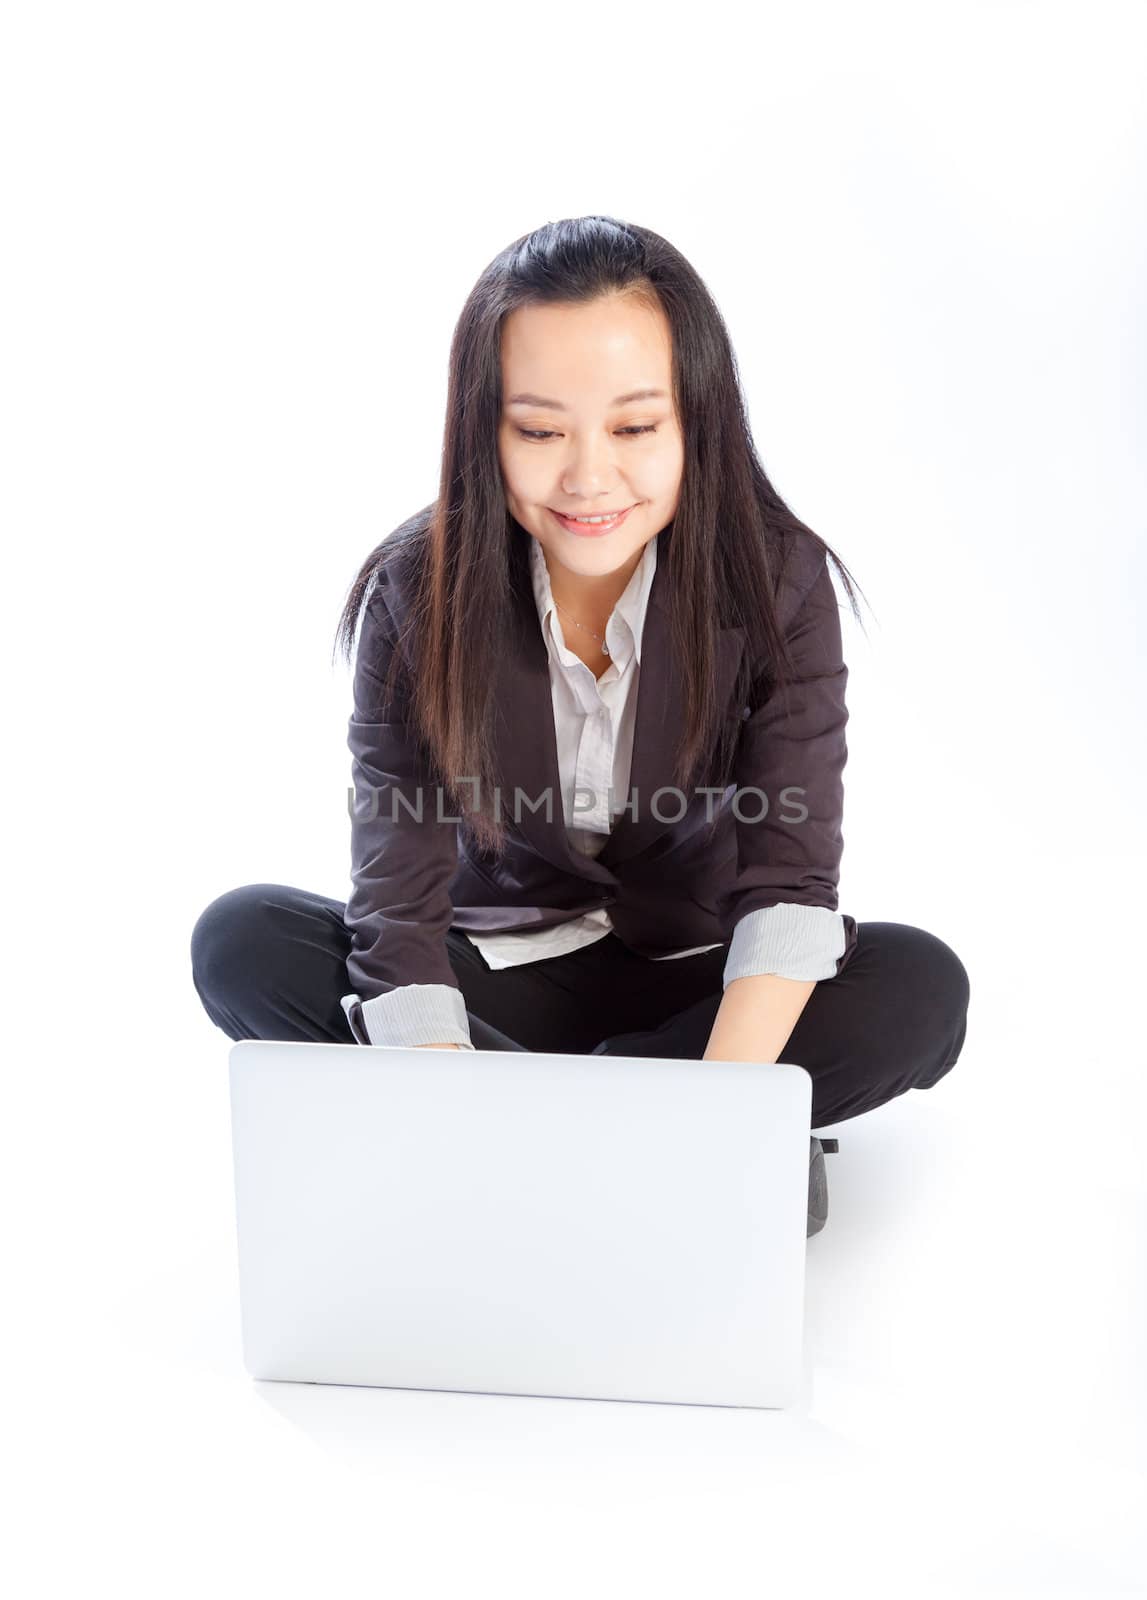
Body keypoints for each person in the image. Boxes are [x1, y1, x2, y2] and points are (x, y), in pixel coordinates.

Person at [190, 214, 970, 1235]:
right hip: (502, 977)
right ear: (486, 429)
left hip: (698, 979)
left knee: (916, 987)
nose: (588, 477)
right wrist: (447, 1081)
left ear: (696, 419)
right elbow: (397, 905)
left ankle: (571, 1146)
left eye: (635, 428)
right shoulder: (414, 594)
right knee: (246, 941)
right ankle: (616, 1156)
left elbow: (789, 883)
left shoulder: (777, 579)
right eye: (541, 429)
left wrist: (721, 1109)